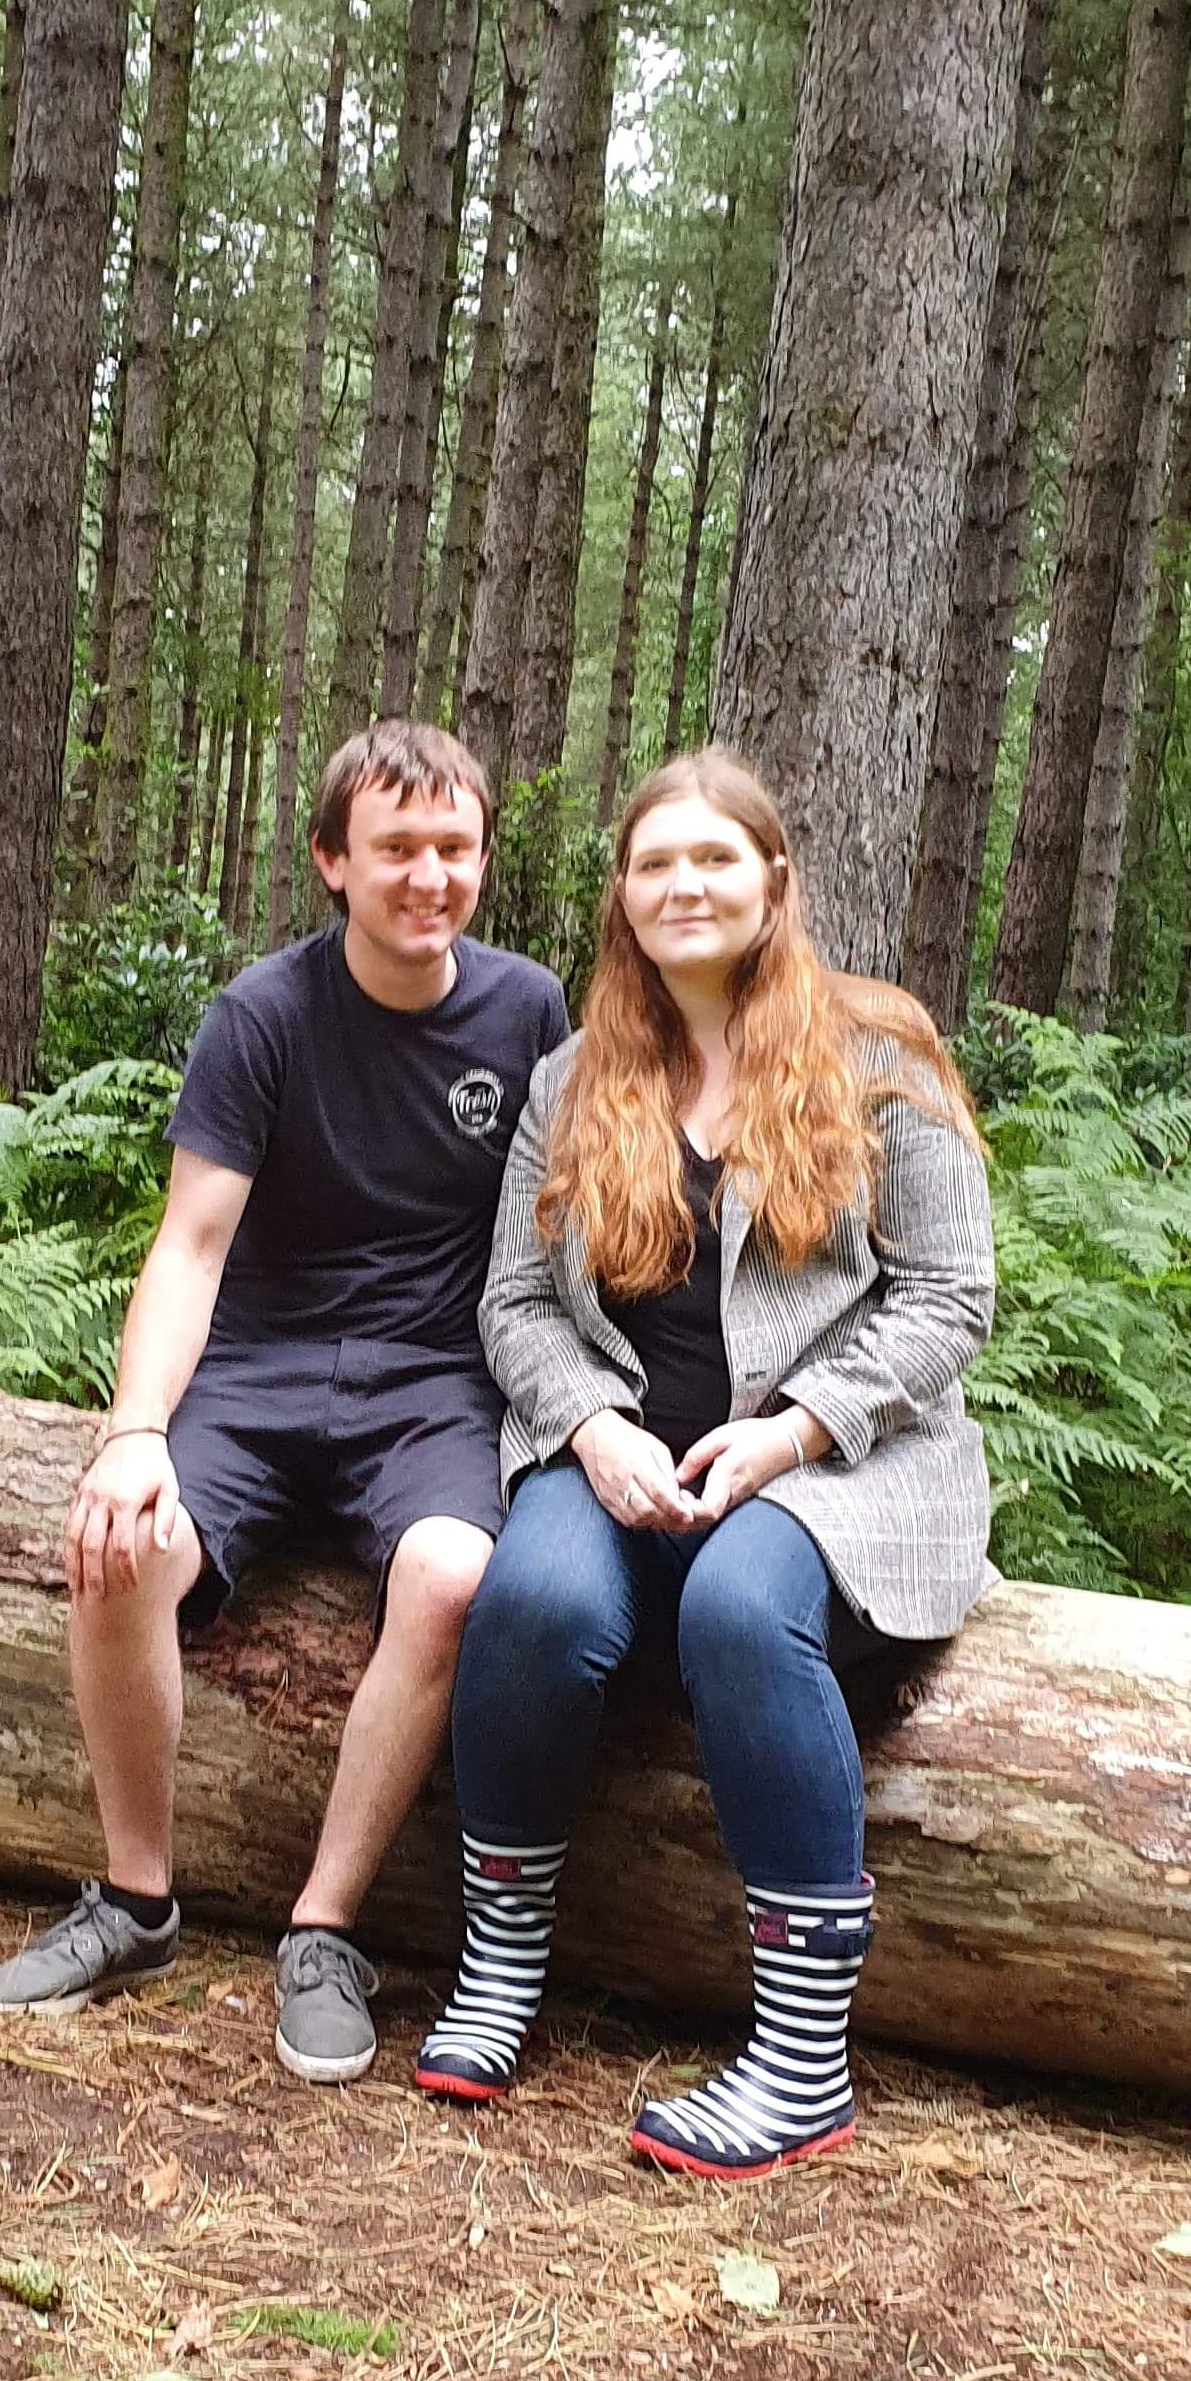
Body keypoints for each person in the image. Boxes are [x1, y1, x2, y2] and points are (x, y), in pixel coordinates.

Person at [416, 748, 996, 2175]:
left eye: (715, 859)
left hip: (840, 1461)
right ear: (623, 893)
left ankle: (802, 2062)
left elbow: (950, 1298)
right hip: (621, 1452)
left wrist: (793, 1430)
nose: (684, 886)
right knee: (532, 1601)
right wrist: (593, 1429)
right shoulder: (575, 1078)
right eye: (655, 863)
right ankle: (501, 1968)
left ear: (772, 881)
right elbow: (513, 1302)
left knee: (741, 1606)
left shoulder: (883, 1056)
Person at [0, 720, 569, 2080]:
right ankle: (135, 1902)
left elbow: (564, 1230)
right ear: (331, 861)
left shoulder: (529, 1013)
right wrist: (133, 1434)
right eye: (396, 848)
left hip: (434, 1383)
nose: (429, 876)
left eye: (455, 847)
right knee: (120, 1546)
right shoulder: (264, 1016)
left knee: (452, 1578)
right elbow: (190, 1245)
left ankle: (323, 1929)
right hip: (258, 1367)